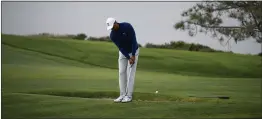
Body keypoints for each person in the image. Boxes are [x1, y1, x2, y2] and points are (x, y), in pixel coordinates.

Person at [106, 17, 139, 103]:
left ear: (116, 23)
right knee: (121, 72)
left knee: (130, 74)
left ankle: (128, 96)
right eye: (111, 28)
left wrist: (133, 55)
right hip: (123, 53)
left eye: (113, 27)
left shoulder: (127, 26)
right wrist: (128, 57)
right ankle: (122, 94)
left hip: (134, 51)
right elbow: (120, 47)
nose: (112, 29)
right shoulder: (112, 35)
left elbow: (133, 41)